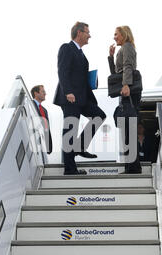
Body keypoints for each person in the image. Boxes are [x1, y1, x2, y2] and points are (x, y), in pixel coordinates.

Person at [54, 22, 106, 175]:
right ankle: (70, 169)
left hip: (83, 98)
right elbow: (62, 71)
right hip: (70, 98)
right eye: (87, 32)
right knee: (70, 130)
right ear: (79, 33)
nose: (90, 35)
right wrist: (68, 91)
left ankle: (80, 146)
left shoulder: (82, 54)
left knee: (99, 115)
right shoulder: (66, 48)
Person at [108, 25, 142, 173]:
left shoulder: (127, 46)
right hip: (124, 91)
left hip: (128, 92)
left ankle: (133, 167)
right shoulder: (122, 49)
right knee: (126, 129)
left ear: (124, 34)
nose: (114, 37)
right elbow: (116, 74)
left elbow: (128, 66)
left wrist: (126, 85)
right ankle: (130, 166)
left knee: (129, 129)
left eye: (116, 34)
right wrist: (111, 56)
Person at [30, 85, 52, 154]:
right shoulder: (30, 105)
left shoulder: (44, 110)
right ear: (36, 93)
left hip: (43, 144)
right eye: (43, 91)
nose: (45, 93)